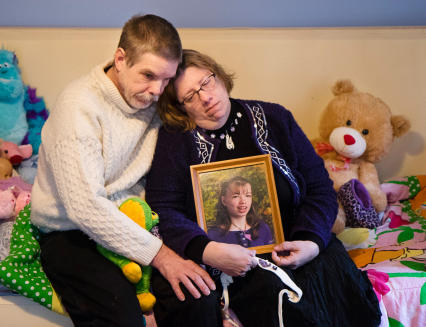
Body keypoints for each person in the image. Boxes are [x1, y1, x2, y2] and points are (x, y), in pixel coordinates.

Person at [145, 49, 381, 326]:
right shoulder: (174, 141)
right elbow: (164, 209)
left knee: (337, 288)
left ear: (219, 76)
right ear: (180, 106)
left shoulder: (276, 118)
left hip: (294, 240)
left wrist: (311, 241)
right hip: (223, 259)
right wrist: (205, 250)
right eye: (190, 96)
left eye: (206, 82)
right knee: (268, 293)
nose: (205, 97)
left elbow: (319, 188)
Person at [30, 17, 215, 327]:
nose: (157, 90)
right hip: (71, 232)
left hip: (139, 221)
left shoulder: (157, 99)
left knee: (198, 296)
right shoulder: (79, 108)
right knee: (122, 314)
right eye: (148, 75)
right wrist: (162, 256)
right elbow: (84, 206)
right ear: (120, 59)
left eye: (166, 79)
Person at [208, 176, 274, 247]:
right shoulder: (212, 234)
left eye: (248, 195)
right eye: (236, 196)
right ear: (224, 201)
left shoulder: (262, 228)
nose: (243, 201)